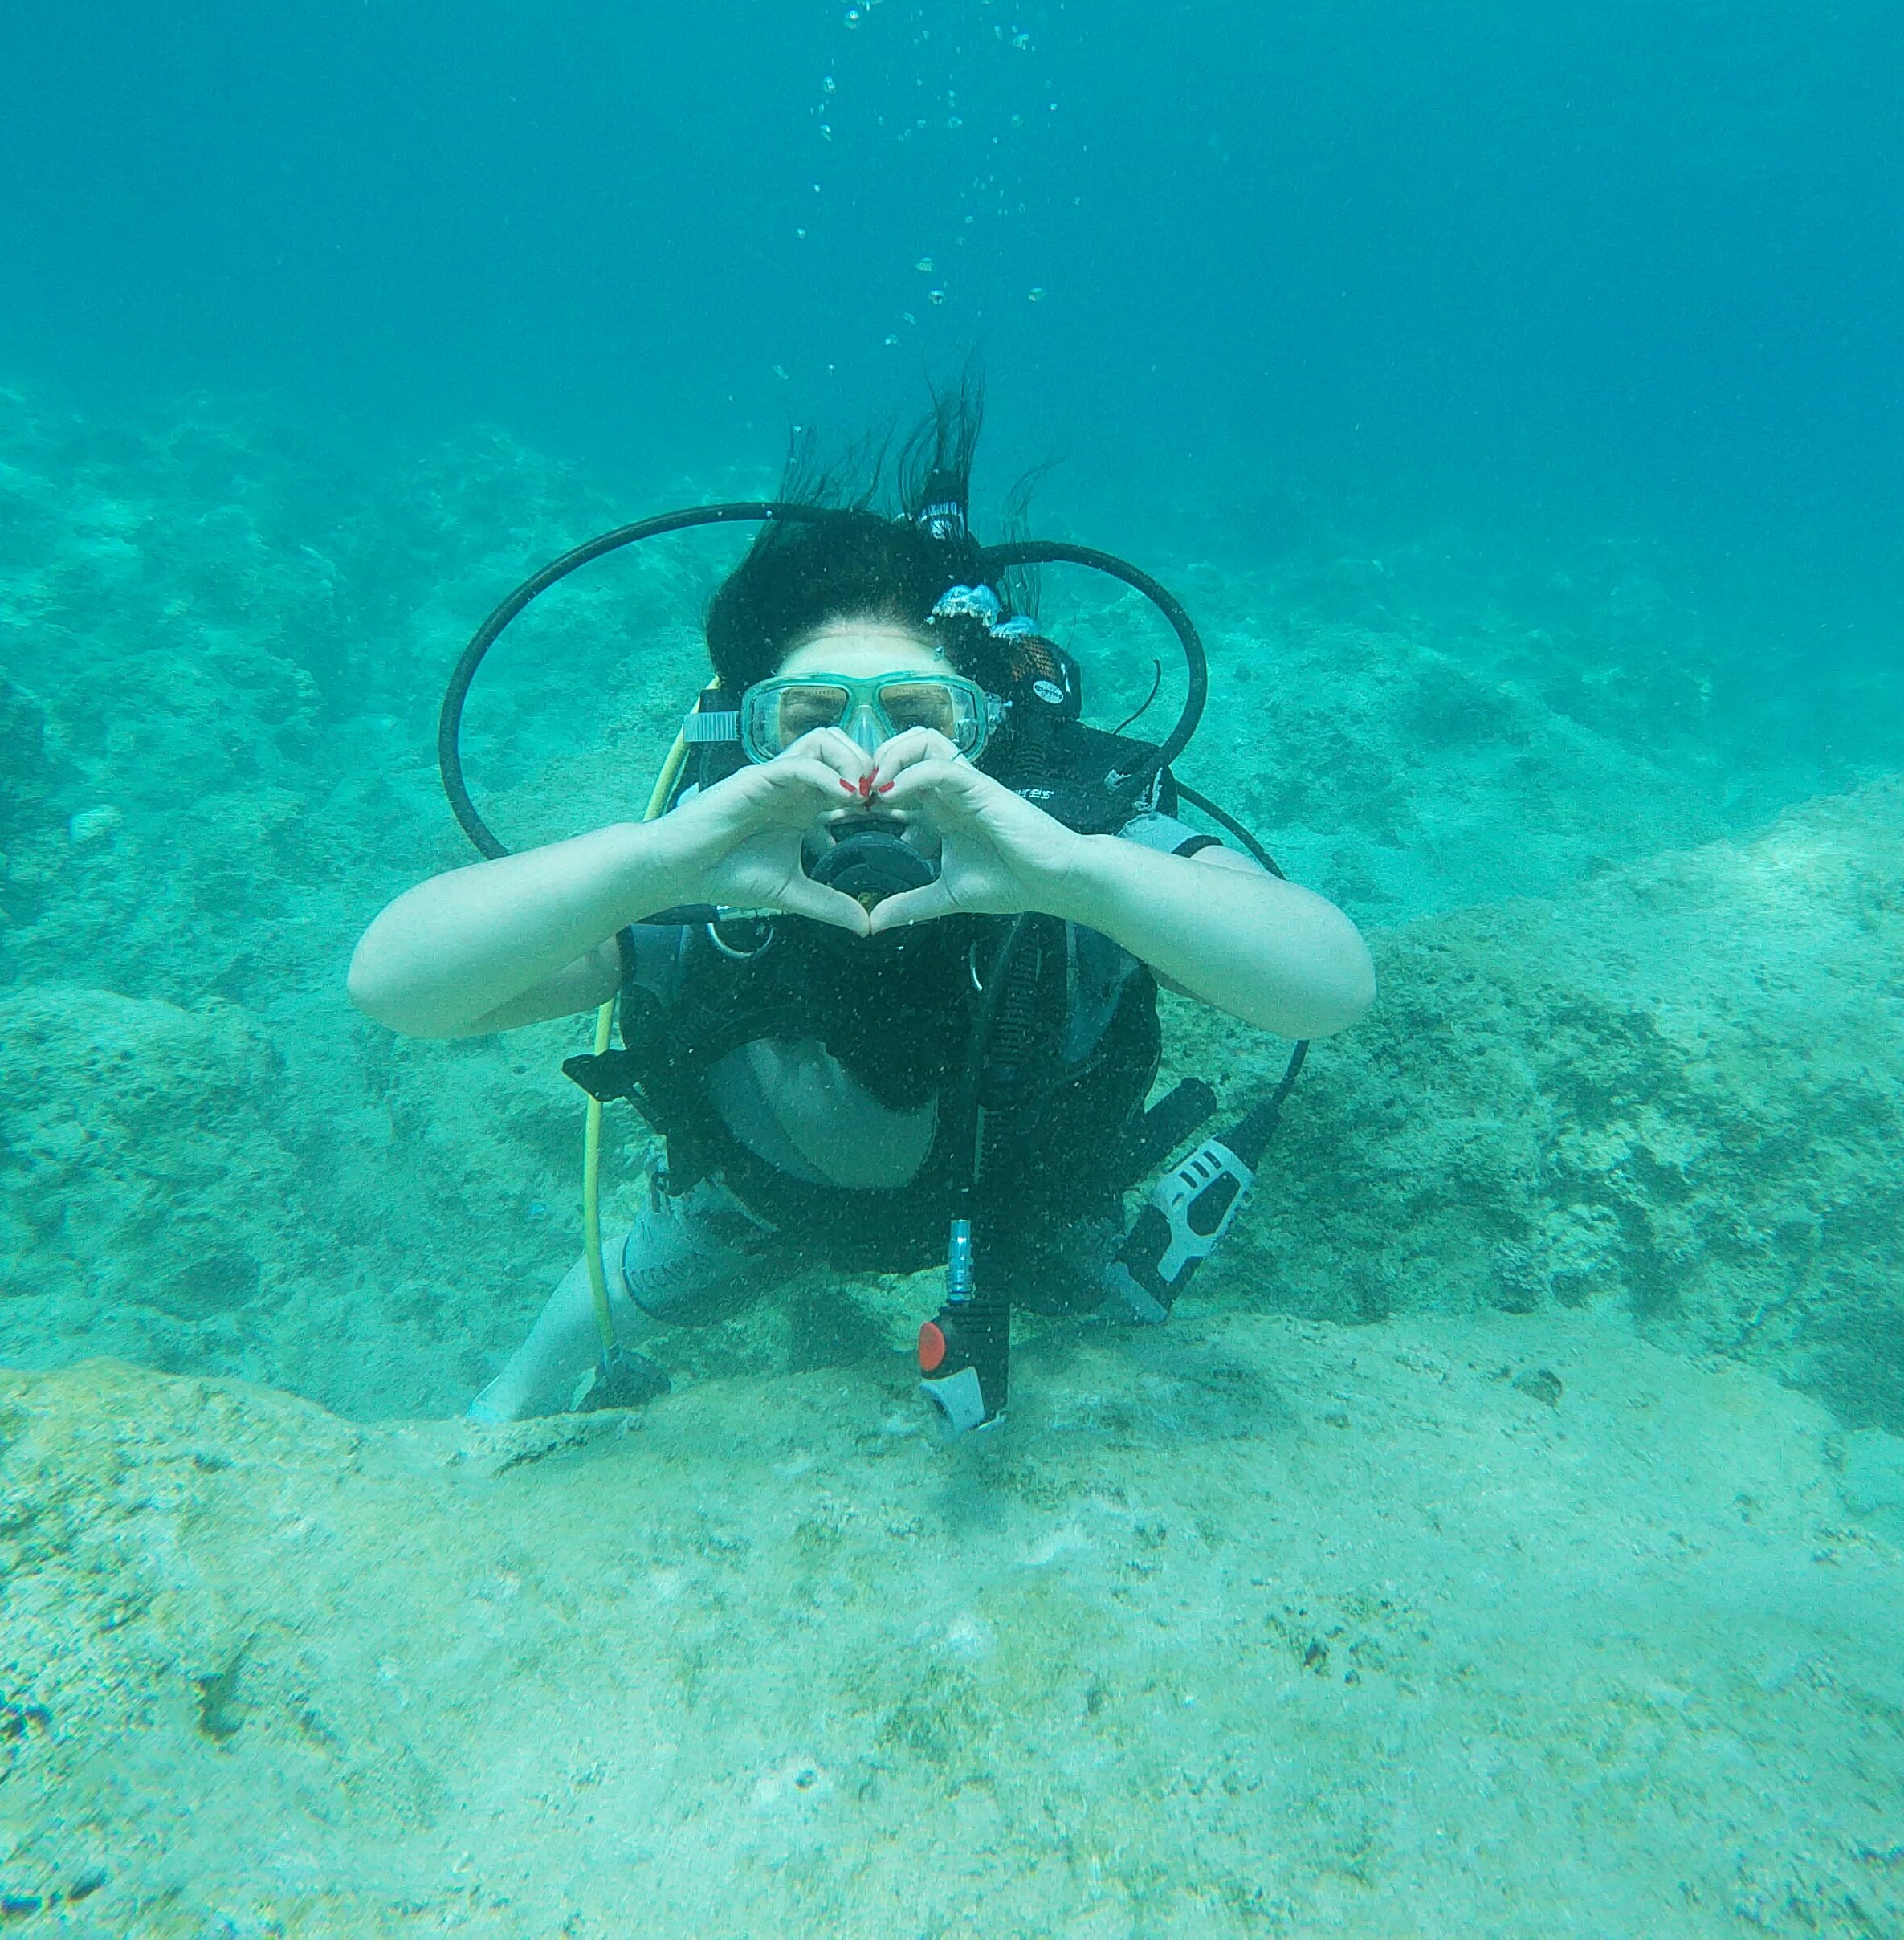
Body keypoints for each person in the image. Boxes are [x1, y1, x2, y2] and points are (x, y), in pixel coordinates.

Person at [347, 407, 1373, 1422]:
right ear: (752, 737)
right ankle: (502, 1405)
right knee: (613, 1299)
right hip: (755, 1207)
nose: (868, 768)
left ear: (985, 734)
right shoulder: (702, 874)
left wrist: (1078, 877)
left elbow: (1328, 985)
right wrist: (653, 863)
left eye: (923, 717)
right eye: (811, 719)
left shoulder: (1074, 843)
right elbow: (397, 987)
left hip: (1035, 1209)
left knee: (1103, 1317)